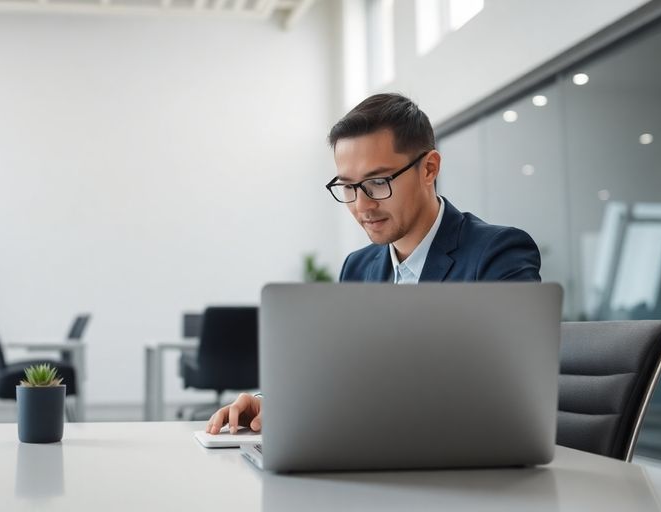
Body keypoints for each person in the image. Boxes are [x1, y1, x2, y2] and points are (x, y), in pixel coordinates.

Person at [205, 93, 542, 435]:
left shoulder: (497, 253)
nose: (362, 205)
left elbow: (511, 393)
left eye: (378, 182)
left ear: (429, 169)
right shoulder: (358, 267)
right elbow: (338, 373)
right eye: (348, 187)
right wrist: (272, 403)